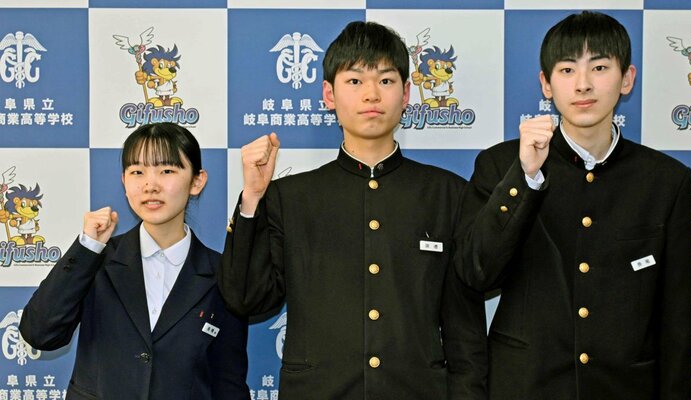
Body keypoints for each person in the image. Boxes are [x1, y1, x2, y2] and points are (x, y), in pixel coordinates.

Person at [219, 21, 486, 399]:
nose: (372, 94)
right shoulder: (289, 197)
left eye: (386, 80)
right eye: (355, 81)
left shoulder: (447, 194)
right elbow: (245, 298)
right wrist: (252, 199)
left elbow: (465, 332)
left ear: (406, 94)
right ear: (329, 94)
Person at [455, 10, 691, 399]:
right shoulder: (501, 165)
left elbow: (677, 321)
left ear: (627, 79)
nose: (583, 84)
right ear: (546, 84)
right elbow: (476, 273)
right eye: (567, 70)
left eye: (599, 67)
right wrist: (525, 178)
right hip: (526, 387)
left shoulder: (666, 180)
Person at [16, 123, 249, 400]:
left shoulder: (222, 273)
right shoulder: (96, 259)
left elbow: (228, 382)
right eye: (137, 172)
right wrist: (87, 248)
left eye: (167, 171)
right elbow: (39, 333)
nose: (150, 185)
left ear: (197, 181)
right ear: (124, 182)